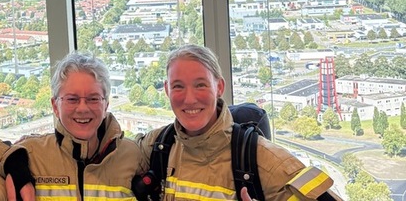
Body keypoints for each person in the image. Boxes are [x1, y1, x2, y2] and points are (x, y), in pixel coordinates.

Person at [135, 44, 341, 201]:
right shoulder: (154, 146)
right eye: (178, 86)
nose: (189, 99)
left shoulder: (264, 159)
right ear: (166, 90)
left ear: (219, 87)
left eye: (200, 85)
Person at [5, 51, 143, 200]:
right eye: (72, 99)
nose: (83, 108)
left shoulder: (133, 155)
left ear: (106, 105)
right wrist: (6, 158)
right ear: (55, 106)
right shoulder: (29, 155)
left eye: (93, 99)